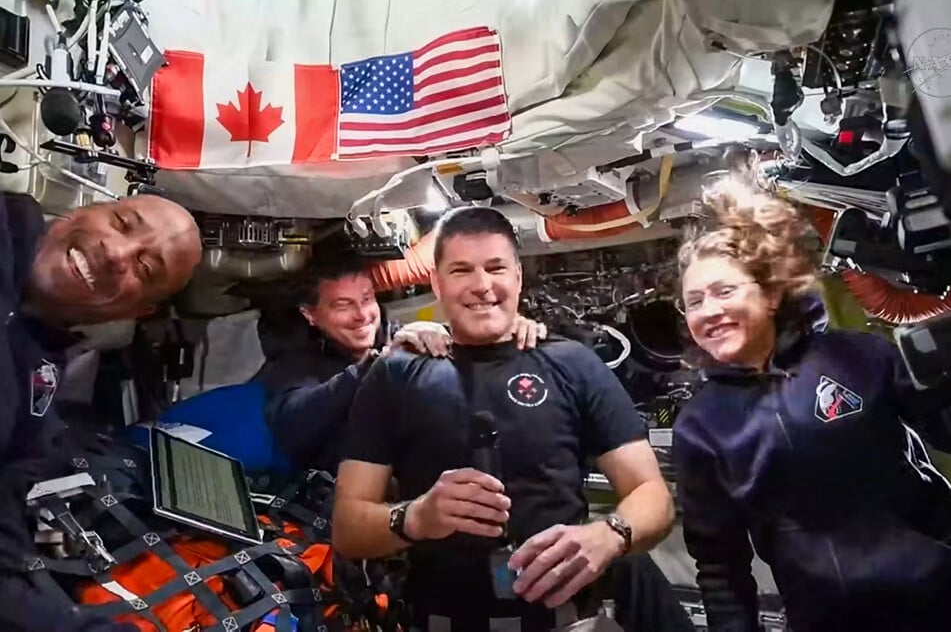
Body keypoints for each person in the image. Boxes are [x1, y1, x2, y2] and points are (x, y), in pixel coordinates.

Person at [332, 206, 675, 631]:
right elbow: (348, 528)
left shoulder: (572, 364)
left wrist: (610, 534)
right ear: (436, 283)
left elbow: (652, 494)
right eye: (461, 271)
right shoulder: (398, 373)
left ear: (518, 277)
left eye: (496, 267)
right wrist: (417, 517)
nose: (481, 285)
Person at [672, 180, 951, 632]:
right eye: (694, 301)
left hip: (938, 596)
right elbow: (720, 563)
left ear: (771, 293)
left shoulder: (857, 355)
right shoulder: (701, 426)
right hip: (824, 621)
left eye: (724, 292)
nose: (709, 311)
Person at [0, 191, 202, 632]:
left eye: (146, 269)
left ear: (136, 310)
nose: (115, 251)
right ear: (80, 209)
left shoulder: (39, 397)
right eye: (123, 223)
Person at [259, 258, 547, 474]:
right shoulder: (295, 364)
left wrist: (507, 333)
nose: (362, 315)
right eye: (343, 305)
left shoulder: (408, 338)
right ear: (310, 315)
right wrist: (375, 365)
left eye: (367, 299)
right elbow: (294, 427)